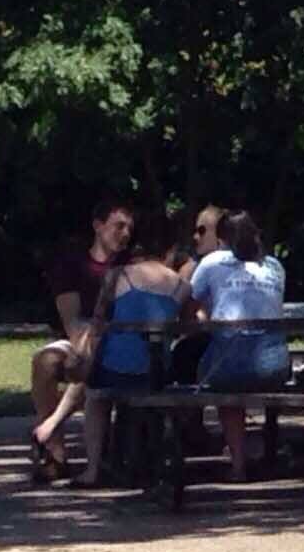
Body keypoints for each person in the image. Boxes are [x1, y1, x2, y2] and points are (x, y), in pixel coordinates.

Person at [34, 224, 194, 487]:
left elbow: (98, 322)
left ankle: (93, 469)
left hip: (115, 372)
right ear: (169, 250)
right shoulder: (182, 286)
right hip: (156, 373)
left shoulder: (118, 276)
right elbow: (187, 325)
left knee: (95, 395)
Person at [29, 200, 132, 481]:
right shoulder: (73, 266)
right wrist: (82, 346)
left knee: (94, 356)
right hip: (79, 338)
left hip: (120, 341)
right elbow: (71, 319)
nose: (124, 234)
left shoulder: (131, 266)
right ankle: (55, 453)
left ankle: (53, 429)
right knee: (45, 361)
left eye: (129, 229)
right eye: (118, 226)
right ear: (98, 227)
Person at [188, 210, 289, 478]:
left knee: (221, 379)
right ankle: (261, 453)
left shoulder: (211, 262)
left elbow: (187, 307)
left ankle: (238, 465)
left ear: (222, 240)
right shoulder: (275, 266)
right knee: (238, 364)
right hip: (276, 366)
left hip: (229, 364)